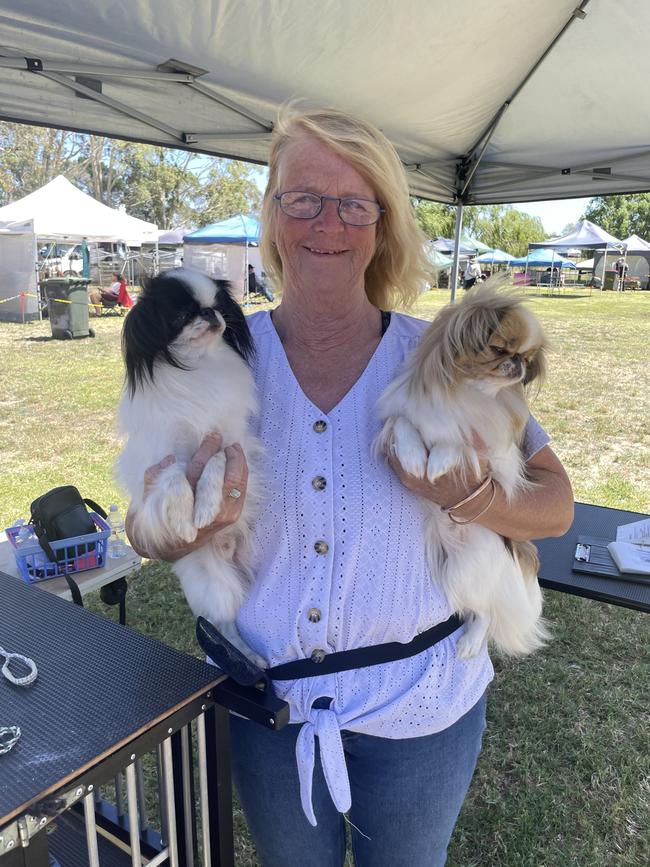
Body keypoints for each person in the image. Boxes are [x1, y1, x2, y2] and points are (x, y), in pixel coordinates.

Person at [125, 106, 574, 866]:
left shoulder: (446, 354)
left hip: (425, 712)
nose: (326, 222)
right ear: (272, 214)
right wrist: (176, 531)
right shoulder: (213, 356)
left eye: (353, 202)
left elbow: (555, 507)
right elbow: (140, 525)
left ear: (382, 223)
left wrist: (464, 495)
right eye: (302, 197)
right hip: (271, 717)